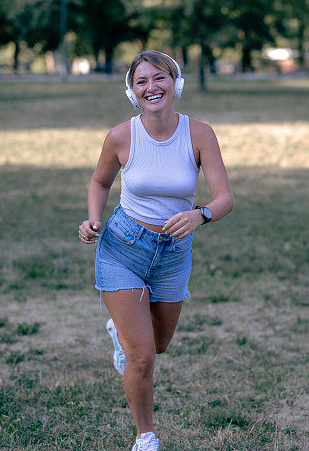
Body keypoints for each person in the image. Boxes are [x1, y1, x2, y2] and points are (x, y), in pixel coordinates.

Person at [77, 50, 233, 451]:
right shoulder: (120, 136)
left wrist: (201, 215)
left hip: (173, 253)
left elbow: (224, 197)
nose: (152, 87)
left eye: (159, 78)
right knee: (142, 356)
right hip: (123, 247)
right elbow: (99, 183)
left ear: (175, 83)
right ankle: (145, 436)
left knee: (160, 345)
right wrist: (94, 219)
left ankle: (120, 332)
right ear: (132, 92)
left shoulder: (199, 134)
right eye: (141, 81)